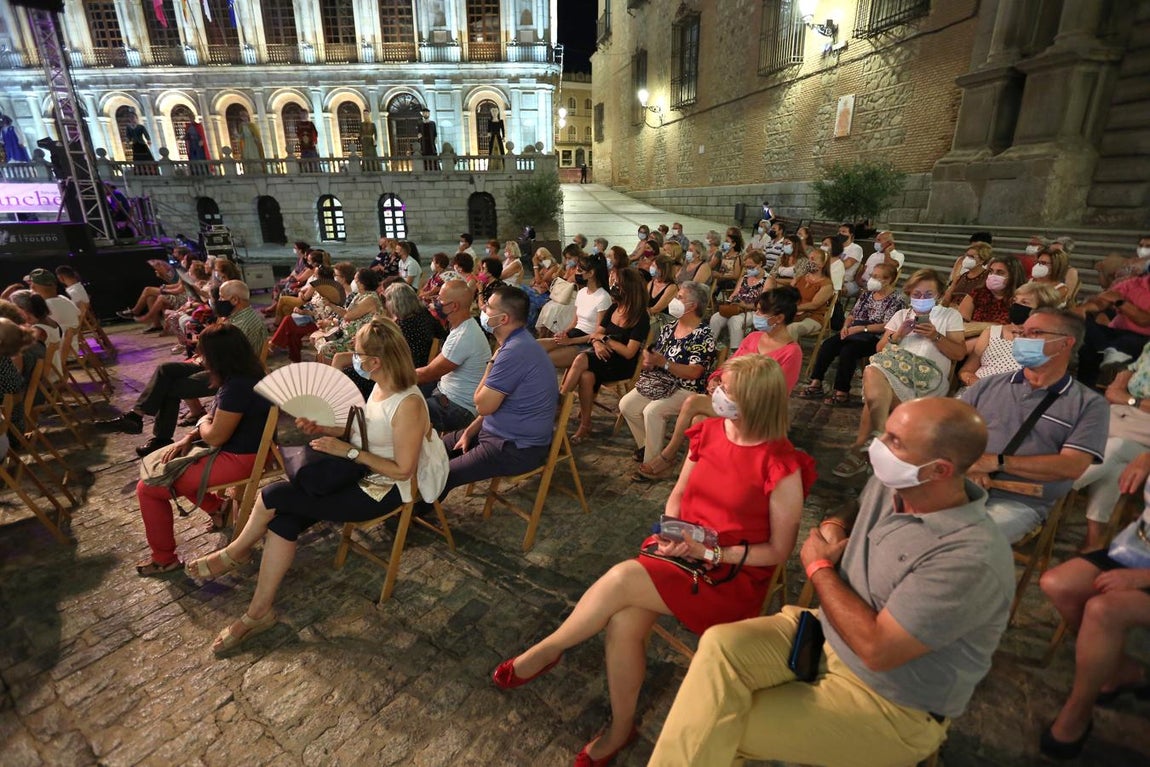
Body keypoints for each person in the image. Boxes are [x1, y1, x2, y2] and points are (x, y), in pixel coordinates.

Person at [649, 397, 1012, 767]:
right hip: (828, 634)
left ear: (938, 470)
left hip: (893, 699)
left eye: (895, 441)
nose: (878, 446)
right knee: (720, 647)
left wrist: (819, 568)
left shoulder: (969, 557)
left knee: (717, 725)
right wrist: (835, 524)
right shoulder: (895, 487)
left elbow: (876, 649)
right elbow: (855, 507)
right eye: (885, 433)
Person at [497, 354, 815, 767]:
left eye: (726, 391)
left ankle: (550, 650)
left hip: (729, 572)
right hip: (683, 550)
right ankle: (620, 726)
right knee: (623, 618)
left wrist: (709, 552)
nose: (715, 394)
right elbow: (679, 494)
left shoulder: (781, 464)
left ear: (754, 402)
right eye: (718, 384)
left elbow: (777, 552)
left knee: (623, 578)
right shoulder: (711, 432)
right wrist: (673, 532)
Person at [185, 319, 432, 654]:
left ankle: (235, 554)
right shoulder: (379, 383)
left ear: (375, 361)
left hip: (381, 490)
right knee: (283, 520)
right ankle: (258, 613)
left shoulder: (409, 403)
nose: (352, 357)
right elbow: (364, 428)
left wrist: (348, 451)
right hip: (356, 472)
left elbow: (404, 470)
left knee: (273, 494)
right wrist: (325, 428)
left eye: (357, 353)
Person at [959, 309, 1108, 543]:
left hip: (1019, 501)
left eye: (1035, 333)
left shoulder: (1089, 404)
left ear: (1065, 344)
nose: (1022, 340)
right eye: (1022, 333)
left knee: (972, 540)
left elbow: (1072, 466)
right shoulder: (988, 385)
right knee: (901, 513)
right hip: (961, 485)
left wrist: (996, 462)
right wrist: (971, 465)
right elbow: (949, 432)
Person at [133, 323, 271, 575]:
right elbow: (219, 419)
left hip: (241, 457)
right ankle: (217, 508)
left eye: (202, 354)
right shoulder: (245, 376)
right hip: (242, 451)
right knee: (174, 461)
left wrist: (201, 422)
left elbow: (216, 435)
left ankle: (164, 558)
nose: (199, 359)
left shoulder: (237, 386)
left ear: (218, 357)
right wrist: (192, 435)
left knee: (149, 488)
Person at [637, 288, 802, 481]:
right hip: (731, 399)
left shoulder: (791, 352)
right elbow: (728, 365)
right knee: (698, 418)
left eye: (760, 312)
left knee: (693, 404)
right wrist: (715, 379)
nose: (756, 316)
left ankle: (668, 457)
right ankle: (688, 471)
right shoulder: (753, 338)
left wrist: (731, 386)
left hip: (755, 409)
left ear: (778, 318)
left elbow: (776, 394)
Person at [1037, 485, 1150, 760]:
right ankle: (1119, 669)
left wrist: (1144, 577)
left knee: (1103, 611)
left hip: (1145, 569)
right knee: (1057, 584)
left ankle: (1079, 710)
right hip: (1139, 547)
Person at [99, 280, 267, 456]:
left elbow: (226, 357)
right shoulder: (238, 317)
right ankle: (136, 416)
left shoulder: (239, 324)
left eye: (221, 298)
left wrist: (201, 351)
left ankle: (160, 438)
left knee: (170, 388)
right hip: (223, 365)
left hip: (229, 373)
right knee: (166, 369)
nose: (217, 301)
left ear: (234, 299)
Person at [833, 269, 965, 478]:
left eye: (928, 295)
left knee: (873, 390)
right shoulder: (901, 315)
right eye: (917, 294)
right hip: (893, 369)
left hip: (927, 378)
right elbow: (880, 349)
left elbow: (959, 353)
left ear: (939, 295)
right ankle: (876, 438)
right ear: (910, 294)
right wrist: (898, 334)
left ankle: (862, 448)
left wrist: (936, 337)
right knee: (873, 369)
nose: (922, 299)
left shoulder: (950, 316)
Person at [438, 287, 557, 496]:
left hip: (515, 448)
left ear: (503, 319)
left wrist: (492, 362)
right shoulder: (518, 343)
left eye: (489, 307)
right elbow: (492, 407)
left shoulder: (513, 351)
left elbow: (482, 404)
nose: (483, 309)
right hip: (496, 433)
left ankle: (405, 519)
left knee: (440, 474)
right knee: (433, 449)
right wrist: (470, 431)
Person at [621, 288, 715, 471]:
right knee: (627, 405)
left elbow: (695, 373)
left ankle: (654, 463)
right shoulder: (670, 327)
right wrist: (650, 361)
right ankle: (647, 446)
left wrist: (664, 363)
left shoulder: (704, 335)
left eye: (680, 297)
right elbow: (658, 356)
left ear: (692, 306)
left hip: (687, 388)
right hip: (662, 382)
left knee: (652, 411)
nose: (674, 300)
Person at [1073, 342, 1150, 550]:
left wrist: (1129, 399)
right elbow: (1113, 392)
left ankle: (1054, 487)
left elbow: (1119, 395)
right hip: (1121, 421)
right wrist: (1135, 402)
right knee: (1115, 459)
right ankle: (1095, 539)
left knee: (1116, 448)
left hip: (1143, 442)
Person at [562, 268, 651, 443]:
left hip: (622, 365)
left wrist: (605, 340)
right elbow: (596, 334)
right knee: (586, 376)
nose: (614, 287)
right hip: (603, 356)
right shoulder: (614, 308)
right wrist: (597, 343)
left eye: (618, 284)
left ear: (629, 288)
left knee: (581, 358)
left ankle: (560, 400)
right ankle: (585, 424)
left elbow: (628, 352)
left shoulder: (640, 317)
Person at [802, 262, 904, 405]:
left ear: (887, 280)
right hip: (853, 331)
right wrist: (845, 326)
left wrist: (862, 329)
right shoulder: (867, 294)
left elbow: (887, 325)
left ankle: (841, 391)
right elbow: (852, 315)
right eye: (872, 276)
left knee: (848, 351)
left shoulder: (896, 299)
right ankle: (816, 382)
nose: (871, 280)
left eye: (876, 277)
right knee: (828, 345)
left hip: (874, 336)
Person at [957, 281, 1063, 387]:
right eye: (1015, 301)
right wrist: (976, 383)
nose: (1016, 306)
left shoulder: (1047, 342)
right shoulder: (992, 332)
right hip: (976, 389)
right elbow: (966, 371)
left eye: (1024, 302)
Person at [417, 280, 488, 432]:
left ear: (454, 306)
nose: (435, 302)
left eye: (440, 299)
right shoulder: (463, 327)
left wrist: (392, 376)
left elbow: (428, 373)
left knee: (405, 411)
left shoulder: (463, 336)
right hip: (448, 394)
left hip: (459, 408)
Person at [1074, 269, 1150, 387]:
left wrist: (1120, 302)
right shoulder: (1133, 284)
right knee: (1083, 324)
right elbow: (1103, 301)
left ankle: (1109, 354)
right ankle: (1086, 382)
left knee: (1126, 342)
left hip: (1143, 339)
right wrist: (1083, 308)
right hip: (1115, 332)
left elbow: (1144, 320)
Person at [539, 253, 612, 367]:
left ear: (591, 273)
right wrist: (564, 332)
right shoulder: (582, 292)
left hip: (588, 341)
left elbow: (598, 333)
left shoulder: (603, 297)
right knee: (534, 347)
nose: (575, 273)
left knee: (545, 359)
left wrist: (570, 341)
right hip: (574, 334)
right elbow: (574, 323)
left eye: (579, 270)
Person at [314, 269, 384, 362]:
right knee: (319, 340)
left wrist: (332, 305)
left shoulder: (370, 298)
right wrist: (330, 304)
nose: (354, 282)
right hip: (345, 334)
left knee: (326, 348)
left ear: (363, 283)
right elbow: (346, 311)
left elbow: (348, 316)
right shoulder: (359, 295)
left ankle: (332, 374)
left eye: (356, 280)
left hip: (358, 339)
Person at [708, 250, 767, 350]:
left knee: (735, 321)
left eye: (751, 267)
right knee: (715, 318)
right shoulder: (745, 277)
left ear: (760, 264)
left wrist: (744, 305)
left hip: (753, 310)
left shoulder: (767, 280)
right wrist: (730, 300)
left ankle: (736, 350)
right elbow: (735, 293)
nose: (748, 269)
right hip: (737, 307)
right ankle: (709, 346)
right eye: (747, 267)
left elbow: (764, 304)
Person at [956, 254, 1025, 324]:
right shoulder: (976, 293)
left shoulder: (1020, 299)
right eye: (991, 271)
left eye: (1000, 273)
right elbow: (960, 322)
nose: (993, 276)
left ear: (1013, 276)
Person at [785, 247, 835, 341]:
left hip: (813, 317)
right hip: (794, 313)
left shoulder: (826, 284)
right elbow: (788, 294)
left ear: (822, 264)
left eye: (813, 259)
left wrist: (792, 308)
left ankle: (789, 353)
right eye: (809, 258)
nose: (809, 261)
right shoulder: (800, 278)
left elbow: (814, 305)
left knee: (793, 328)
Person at [941, 242, 994, 307]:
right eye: (967, 255)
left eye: (971, 257)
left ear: (982, 260)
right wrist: (954, 283)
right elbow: (945, 302)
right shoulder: (962, 277)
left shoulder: (986, 278)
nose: (967, 259)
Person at [839, 223, 865, 296]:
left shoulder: (856, 249)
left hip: (846, 282)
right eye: (839, 232)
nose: (840, 234)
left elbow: (846, 265)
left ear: (851, 234)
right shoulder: (835, 247)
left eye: (844, 232)